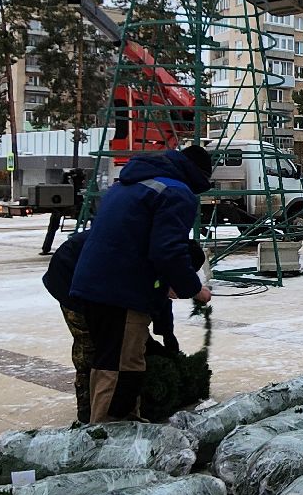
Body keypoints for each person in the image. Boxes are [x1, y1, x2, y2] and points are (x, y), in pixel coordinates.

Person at [67, 146, 212, 423]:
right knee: (124, 365)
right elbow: (168, 251)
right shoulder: (175, 191)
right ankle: (111, 434)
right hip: (121, 290)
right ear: (199, 177)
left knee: (110, 359)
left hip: (94, 284)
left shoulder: (131, 183)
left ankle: (119, 423)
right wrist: (194, 289)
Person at [44, 228, 188, 424]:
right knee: (90, 346)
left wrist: (167, 335)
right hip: (69, 276)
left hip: (99, 273)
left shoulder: (158, 262)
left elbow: (156, 302)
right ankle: (86, 408)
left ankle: (109, 402)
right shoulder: (147, 262)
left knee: (119, 338)